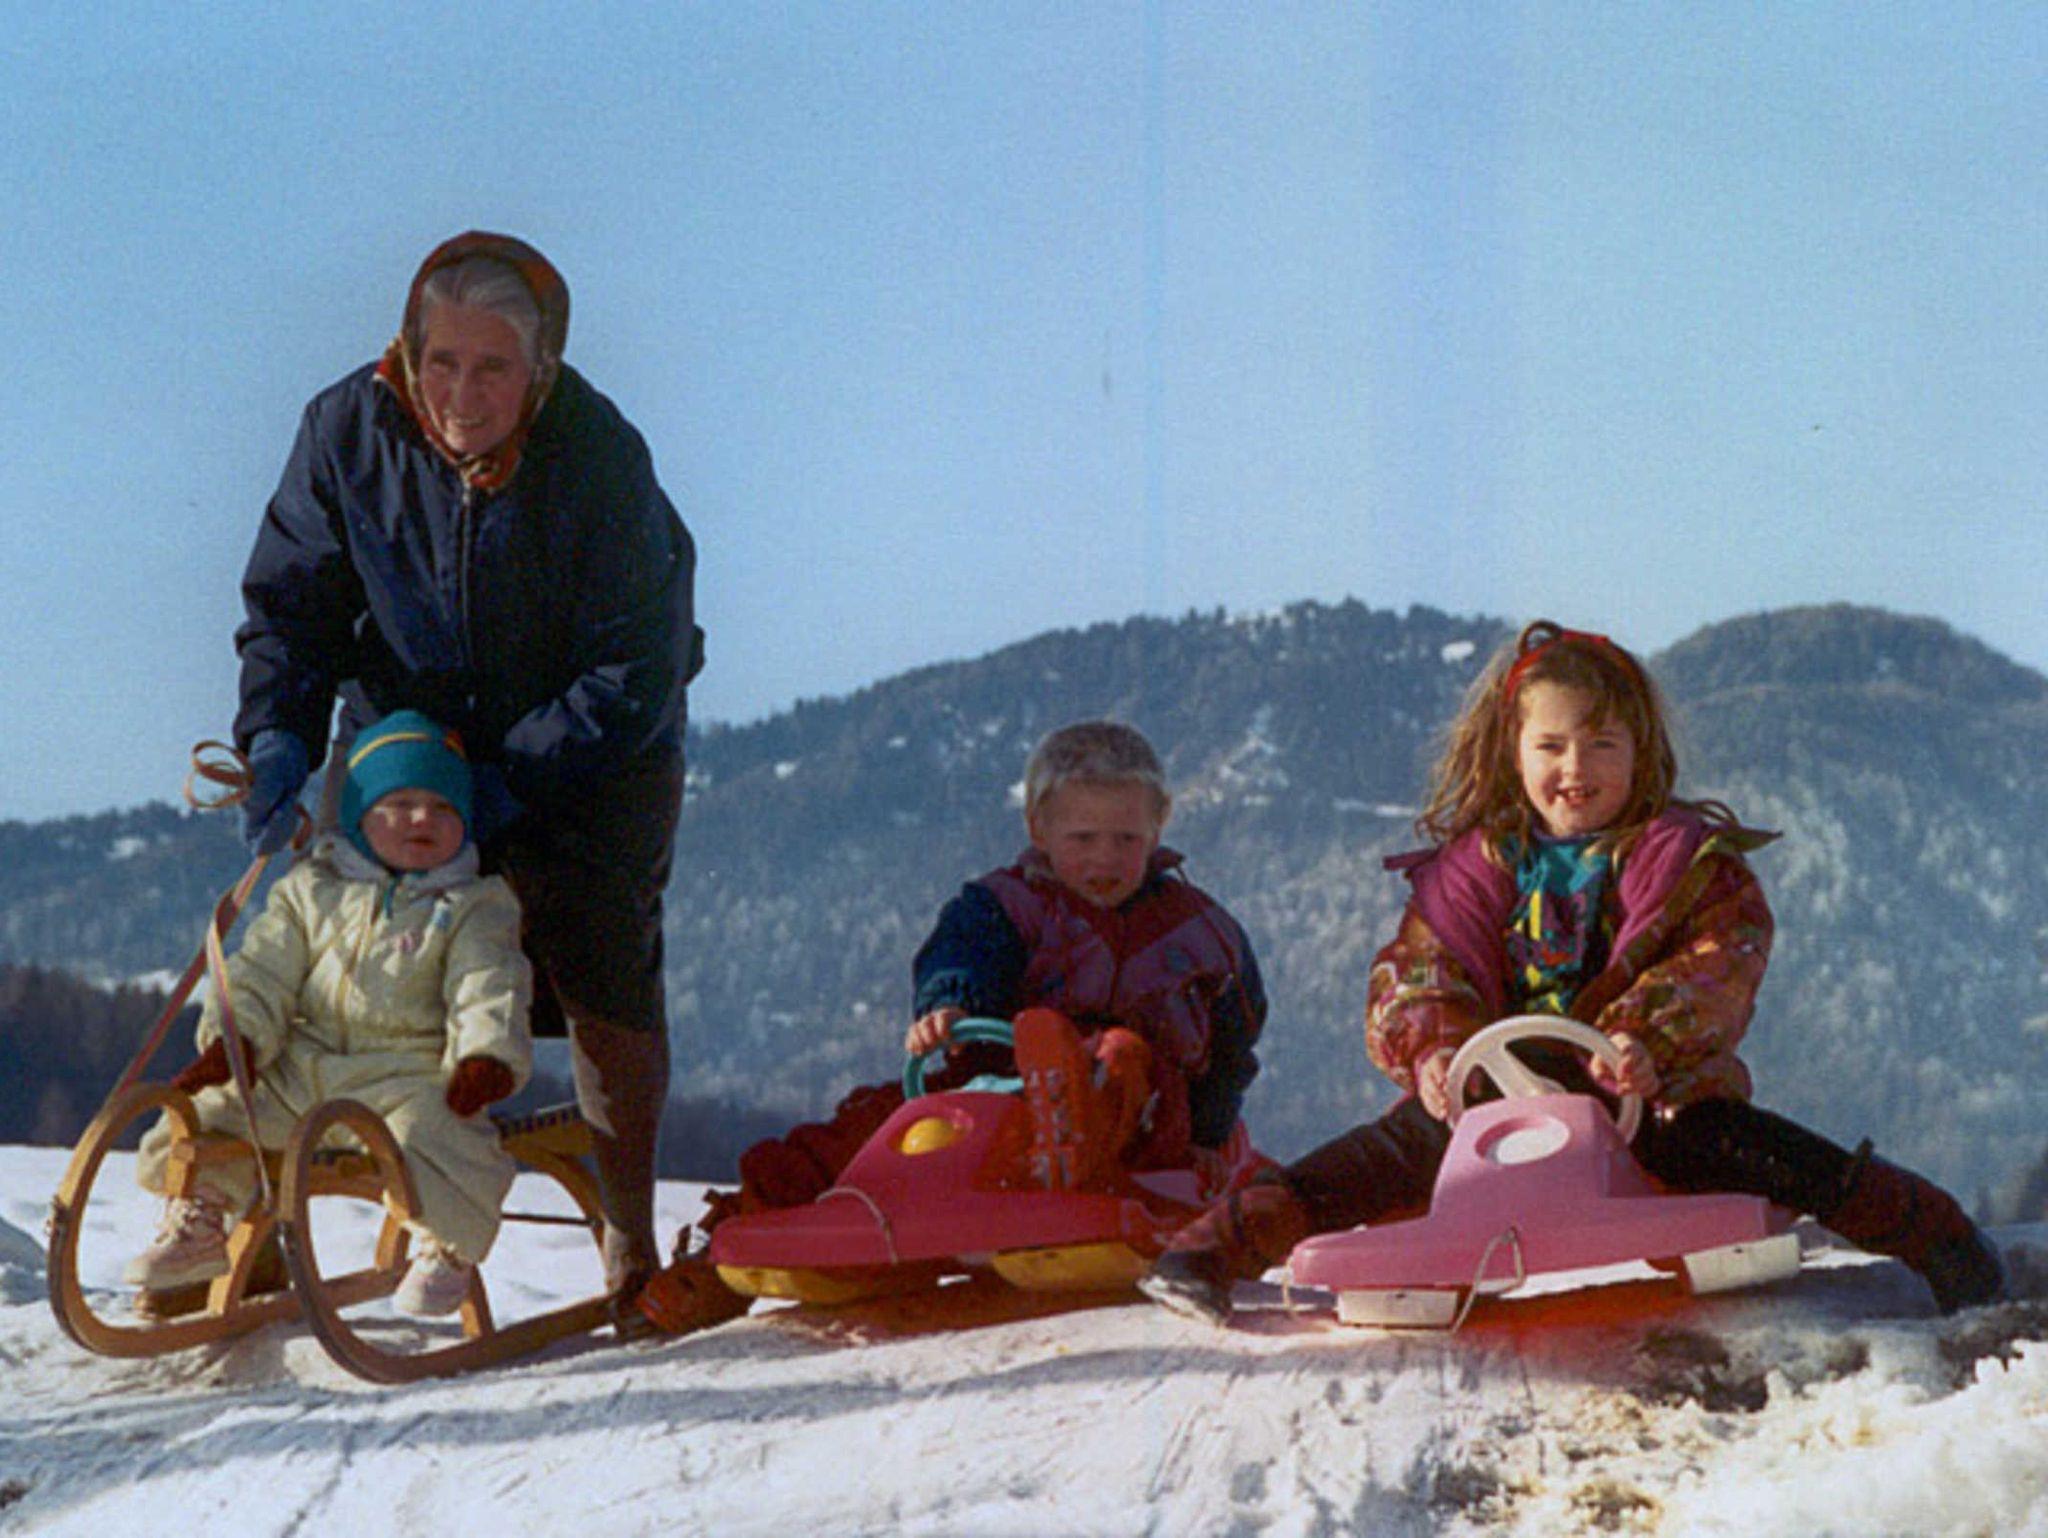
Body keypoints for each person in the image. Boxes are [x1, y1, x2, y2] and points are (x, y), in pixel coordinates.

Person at [1142, 620, 2005, 1325]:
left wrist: (1645, 1038)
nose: (1575, 769)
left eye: (1601, 745)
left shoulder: (1685, 862)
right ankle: (1210, 1253)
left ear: (1639, 751)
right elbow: (1417, 973)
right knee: (1381, 1157)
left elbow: (1719, 961)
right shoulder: (1475, 871)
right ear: (1514, 751)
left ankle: (1936, 1235)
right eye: (1551, 745)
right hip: (1492, 1092)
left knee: (1757, 1151)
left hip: (1645, 1088)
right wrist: (1435, 1052)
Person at [230, 231, 700, 1307]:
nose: (461, 393)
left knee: (595, 955)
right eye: (441, 361)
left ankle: (628, 1233)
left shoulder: (599, 457)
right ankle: (256, 1218)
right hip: (408, 737)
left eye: (492, 367)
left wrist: (510, 782)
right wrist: (276, 734)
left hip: (591, 748)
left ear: (540, 368)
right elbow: (292, 607)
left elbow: (636, 665)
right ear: (407, 349)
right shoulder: (346, 430)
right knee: (338, 956)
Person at [635, 718, 1269, 1335]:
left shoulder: (1201, 930)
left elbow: (1235, 1037)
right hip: (994, 1086)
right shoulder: (1006, 905)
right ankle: (730, 1242)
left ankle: (1069, 1141)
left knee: (1120, 1056)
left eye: (1126, 839)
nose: (1105, 858)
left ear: (1158, 826)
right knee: (869, 1125)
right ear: (1039, 827)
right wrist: (949, 1006)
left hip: (1144, 1117)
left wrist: (1211, 1136)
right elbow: (959, 956)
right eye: (1083, 838)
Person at [128, 711, 534, 1318]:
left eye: (442, 808)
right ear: (360, 816)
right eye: (400, 804)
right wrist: (236, 1042)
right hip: (302, 1070)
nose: (422, 819)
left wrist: (484, 1057)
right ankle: (201, 1222)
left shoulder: (473, 904)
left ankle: (446, 1248)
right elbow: (262, 972)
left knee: (441, 1130)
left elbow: (489, 983)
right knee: (214, 1108)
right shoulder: (310, 889)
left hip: (405, 1075)